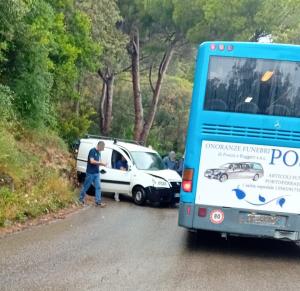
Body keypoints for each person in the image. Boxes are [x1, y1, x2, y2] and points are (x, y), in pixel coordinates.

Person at [79, 141, 106, 207]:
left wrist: (103, 164)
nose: (103, 149)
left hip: (97, 173)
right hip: (90, 173)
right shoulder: (92, 151)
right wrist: (100, 163)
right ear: (99, 146)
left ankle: (98, 201)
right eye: (102, 148)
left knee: (98, 187)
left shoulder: (99, 153)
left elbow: (99, 161)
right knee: (86, 186)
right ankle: (80, 199)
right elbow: (92, 161)